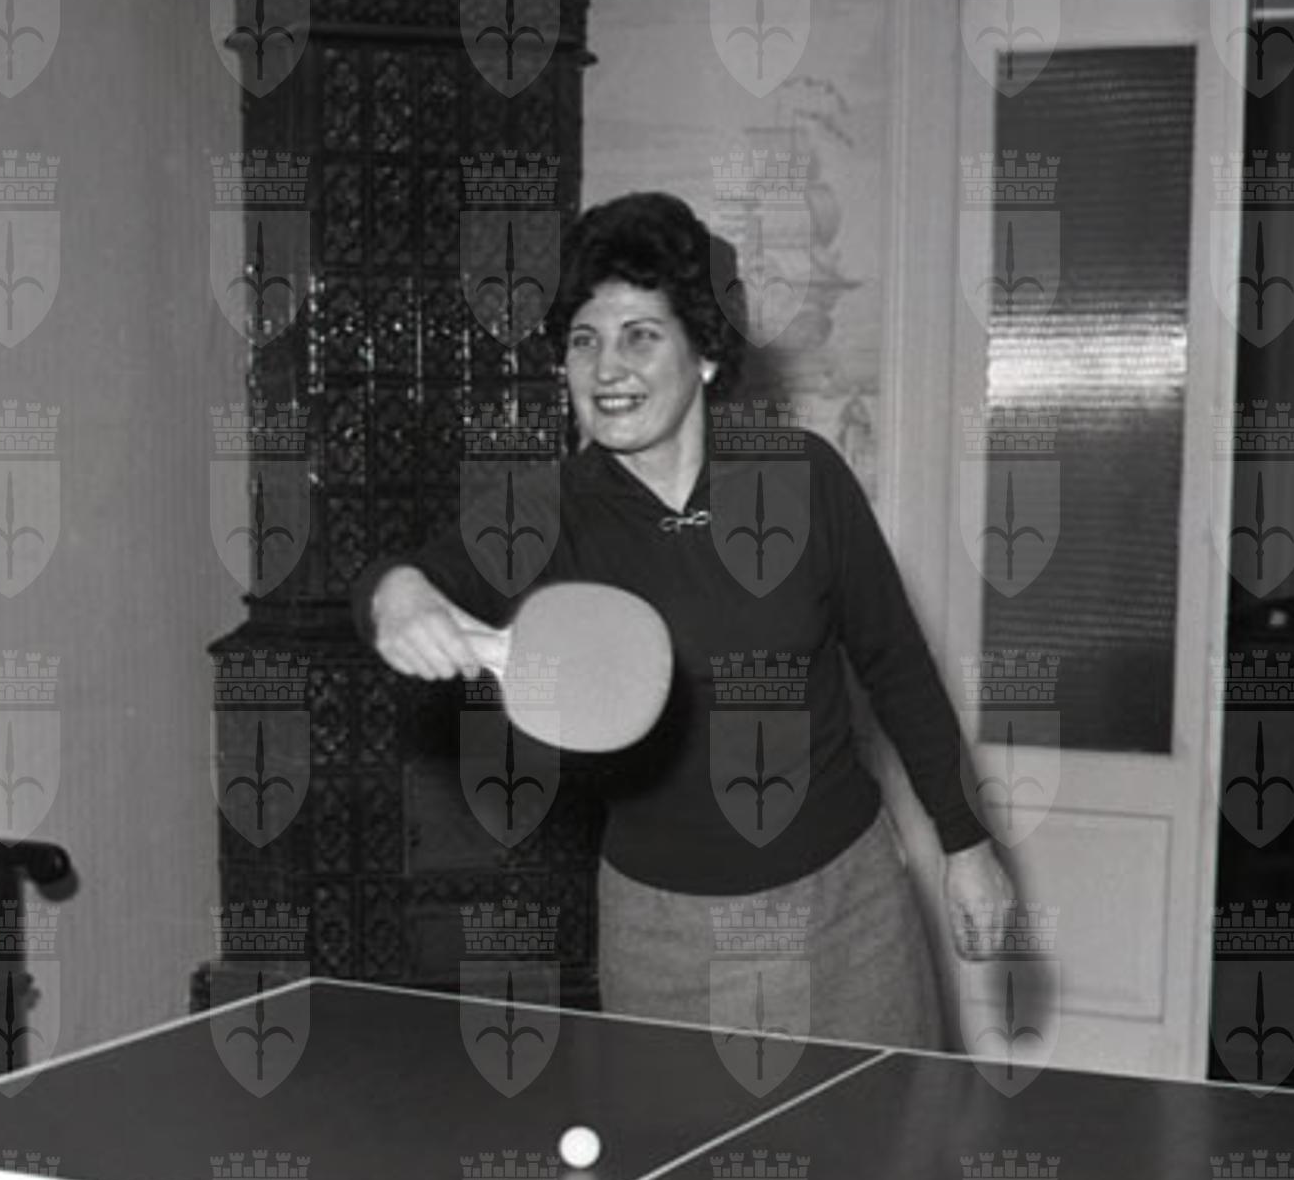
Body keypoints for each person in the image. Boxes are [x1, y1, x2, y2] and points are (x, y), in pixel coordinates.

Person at [354, 192, 1013, 1049]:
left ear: (703, 353)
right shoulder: (544, 514)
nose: (606, 367)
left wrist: (967, 845)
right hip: (661, 932)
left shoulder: (803, 478)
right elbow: (402, 580)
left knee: (887, 1134)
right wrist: (399, 597)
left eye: (640, 336)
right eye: (584, 340)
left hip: (847, 909)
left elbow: (897, 666)